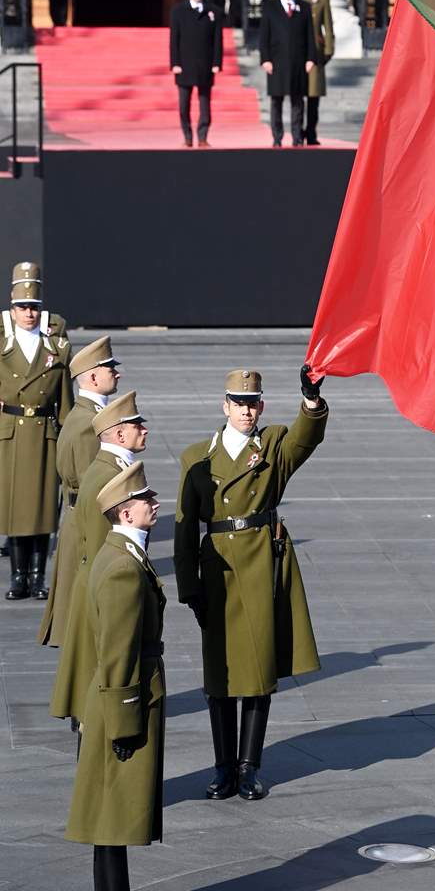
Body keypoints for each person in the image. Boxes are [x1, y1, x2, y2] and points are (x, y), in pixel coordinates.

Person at [174, 365, 327, 800]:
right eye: (239, 403)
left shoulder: (274, 445)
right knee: (219, 674)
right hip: (219, 567)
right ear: (225, 406)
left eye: (253, 402)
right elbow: (185, 528)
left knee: (258, 672)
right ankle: (223, 766)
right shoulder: (197, 457)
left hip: (261, 565)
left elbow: (305, 437)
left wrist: (311, 401)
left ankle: (248, 766)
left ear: (262, 406)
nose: (246, 410)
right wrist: (189, 587)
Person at [64, 462, 164, 891]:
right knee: (113, 819)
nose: (154, 504)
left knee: (108, 820)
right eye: (145, 500)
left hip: (106, 698)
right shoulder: (125, 569)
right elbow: (119, 652)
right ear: (125, 512)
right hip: (122, 702)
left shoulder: (116, 554)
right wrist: (125, 725)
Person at [51, 391, 149, 726]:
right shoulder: (108, 478)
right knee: (94, 703)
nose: (145, 429)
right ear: (120, 434)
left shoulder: (111, 470)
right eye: (138, 425)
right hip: (102, 593)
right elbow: (99, 547)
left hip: (97, 585)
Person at [38, 335, 121, 648]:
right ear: (94, 376)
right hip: (89, 530)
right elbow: (94, 488)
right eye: (110, 368)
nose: (117, 373)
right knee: (88, 632)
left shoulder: (88, 416)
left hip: (80, 524)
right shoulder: (89, 423)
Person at [0, 264, 73, 601]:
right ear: (12, 309)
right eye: (22, 307)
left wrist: (69, 440)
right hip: (11, 432)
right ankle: (18, 577)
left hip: (44, 432)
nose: (28, 313)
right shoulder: (3, 343)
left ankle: (37, 575)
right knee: (15, 508)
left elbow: (65, 401)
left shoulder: (56, 346)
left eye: (33, 307)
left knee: (44, 508)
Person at [259, 0, 317, 147]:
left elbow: (309, 36)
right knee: (276, 100)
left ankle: (297, 137)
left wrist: (310, 58)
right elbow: (264, 37)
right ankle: (277, 137)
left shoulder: (304, 7)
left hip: (298, 62)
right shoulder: (270, 7)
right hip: (276, 62)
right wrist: (265, 59)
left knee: (298, 100)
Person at [169, 0, 223, 148]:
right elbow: (174, 39)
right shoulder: (178, 11)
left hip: (205, 64)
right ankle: (187, 136)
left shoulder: (212, 11)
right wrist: (175, 63)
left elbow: (217, 40)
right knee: (184, 104)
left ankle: (202, 136)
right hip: (184, 64)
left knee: (205, 103)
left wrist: (217, 63)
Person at [294, 0, 335, 145]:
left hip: (316, 52)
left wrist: (328, 50)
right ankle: (297, 132)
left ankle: (311, 132)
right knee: (297, 95)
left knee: (313, 95)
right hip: (296, 52)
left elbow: (327, 23)